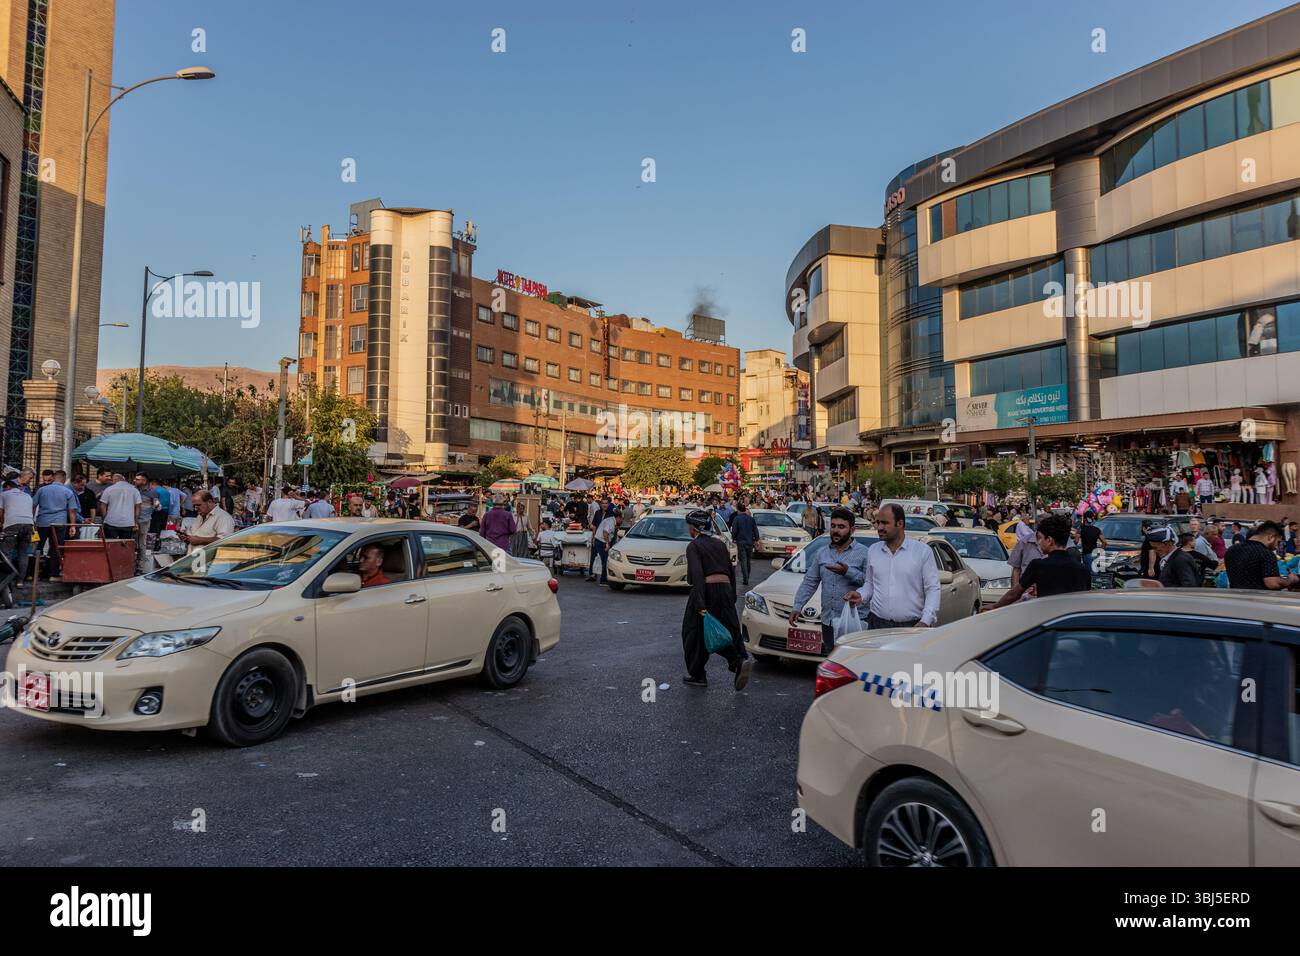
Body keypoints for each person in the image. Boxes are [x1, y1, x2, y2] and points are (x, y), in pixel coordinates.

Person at [681, 509, 751, 690]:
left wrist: (700, 603)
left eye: (689, 526)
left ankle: (697, 674)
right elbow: (731, 570)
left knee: (693, 633)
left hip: (707, 592)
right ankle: (738, 661)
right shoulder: (720, 544)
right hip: (726, 590)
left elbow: (696, 576)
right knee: (729, 628)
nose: (688, 529)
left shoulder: (694, 546)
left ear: (694, 529)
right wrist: (732, 594)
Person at [845, 503, 940, 630]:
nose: (879, 527)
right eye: (877, 523)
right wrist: (860, 595)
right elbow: (870, 584)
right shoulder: (873, 550)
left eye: (884, 523)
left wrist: (926, 621)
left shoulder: (922, 551)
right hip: (877, 625)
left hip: (912, 626)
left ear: (900, 524)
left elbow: (932, 589)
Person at [790, 507, 870, 654]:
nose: (836, 530)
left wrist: (847, 572)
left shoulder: (864, 553)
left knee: (853, 663)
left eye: (841, 527)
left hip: (854, 621)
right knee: (832, 661)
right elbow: (810, 582)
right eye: (833, 526)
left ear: (852, 530)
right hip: (828, 621)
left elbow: (870, 584)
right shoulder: (822, 553)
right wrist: (798, 605)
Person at [992, 514, 1092, 607]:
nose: (1039, 542)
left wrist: (994, 606)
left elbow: (1014, 595)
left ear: (1049, 541)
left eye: (1041, 538)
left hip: (1044, 619)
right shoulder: (1083, 570)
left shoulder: (1038, 566)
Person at [1224, 520, 1300, 591]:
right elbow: (1272, 583)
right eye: (1278, 542)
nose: (1277, 546)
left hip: (1235, 599)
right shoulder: (1266, 553)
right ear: (1270, 537)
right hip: (1258, 601)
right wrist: (1290, 580)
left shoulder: (1231, 549)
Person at [32, 469, 78, 580]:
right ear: (64, 479)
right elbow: (72, 510)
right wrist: (72, 525)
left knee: (37, 547)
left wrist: (32, 522)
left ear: (53, 478)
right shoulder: (68, 492)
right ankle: (53, 575)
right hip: (59, 523)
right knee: (55, 548)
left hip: (42, 522)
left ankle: (32, 574)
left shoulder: (42, 490)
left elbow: (33, 505)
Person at [0, 478, 34, 589]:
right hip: (28, 524)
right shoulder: (27, 495)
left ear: (7, 487)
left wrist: (2, 524)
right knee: (23, 553)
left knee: (6, 553)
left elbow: (1, 512)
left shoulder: (4, 494)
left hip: (12, 524)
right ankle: (20, 582)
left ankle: (7, 582)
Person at [1008, 519, 1045, 596]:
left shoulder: (1054, 544)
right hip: (1026, 591)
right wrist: (1015, 592)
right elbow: (1016, 569)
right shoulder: (1024, 542)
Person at [99, 473, 141, 540]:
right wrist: (136, 521)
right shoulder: (135, 490)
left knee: (110, 544)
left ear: (115, 480)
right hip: (128, 523)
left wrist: (105, 518)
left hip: (111, 522)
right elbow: (138, 507)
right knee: (125, 545)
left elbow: (102, 505)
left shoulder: (108, 489)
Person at [729, 499, 758, 586]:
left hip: (741, 542)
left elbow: (734, 531)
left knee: (743, 561)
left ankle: (745, 578)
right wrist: (757, 540)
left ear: (738, 510)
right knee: (748, 560)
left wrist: (733, 538)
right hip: (749, 542)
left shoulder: (737, 519)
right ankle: (747, 576)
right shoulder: (751, 519)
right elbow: (755, 530)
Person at [589, 509, 619, 585]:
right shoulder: (611, 522)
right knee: (605, 561)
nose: (622, 521)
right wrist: (607, 543)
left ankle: (604, 578)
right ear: (618, 517)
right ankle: (603, 580)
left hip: (600, 541)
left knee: (604, 560)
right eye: (621, 519)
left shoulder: (611, 520)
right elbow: (605, 532)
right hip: (600, 541)